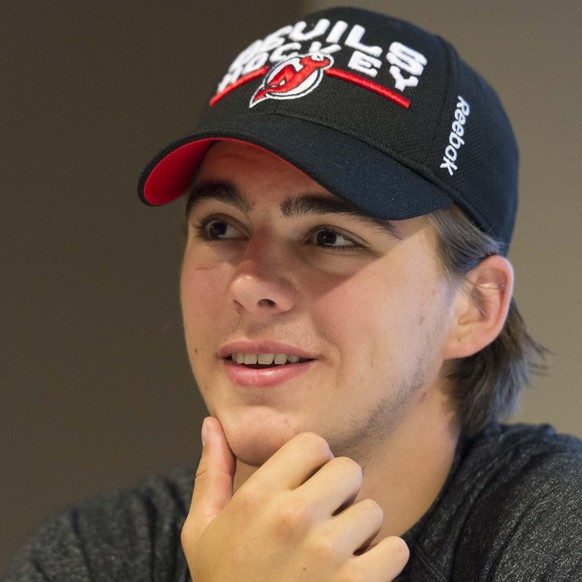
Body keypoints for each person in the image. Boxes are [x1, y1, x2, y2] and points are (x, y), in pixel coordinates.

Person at [7, 6, 582, 581]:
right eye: (220, 227)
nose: (250, 283)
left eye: (330, 237)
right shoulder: (91, 557)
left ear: (475, 306)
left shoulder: (557, 531)